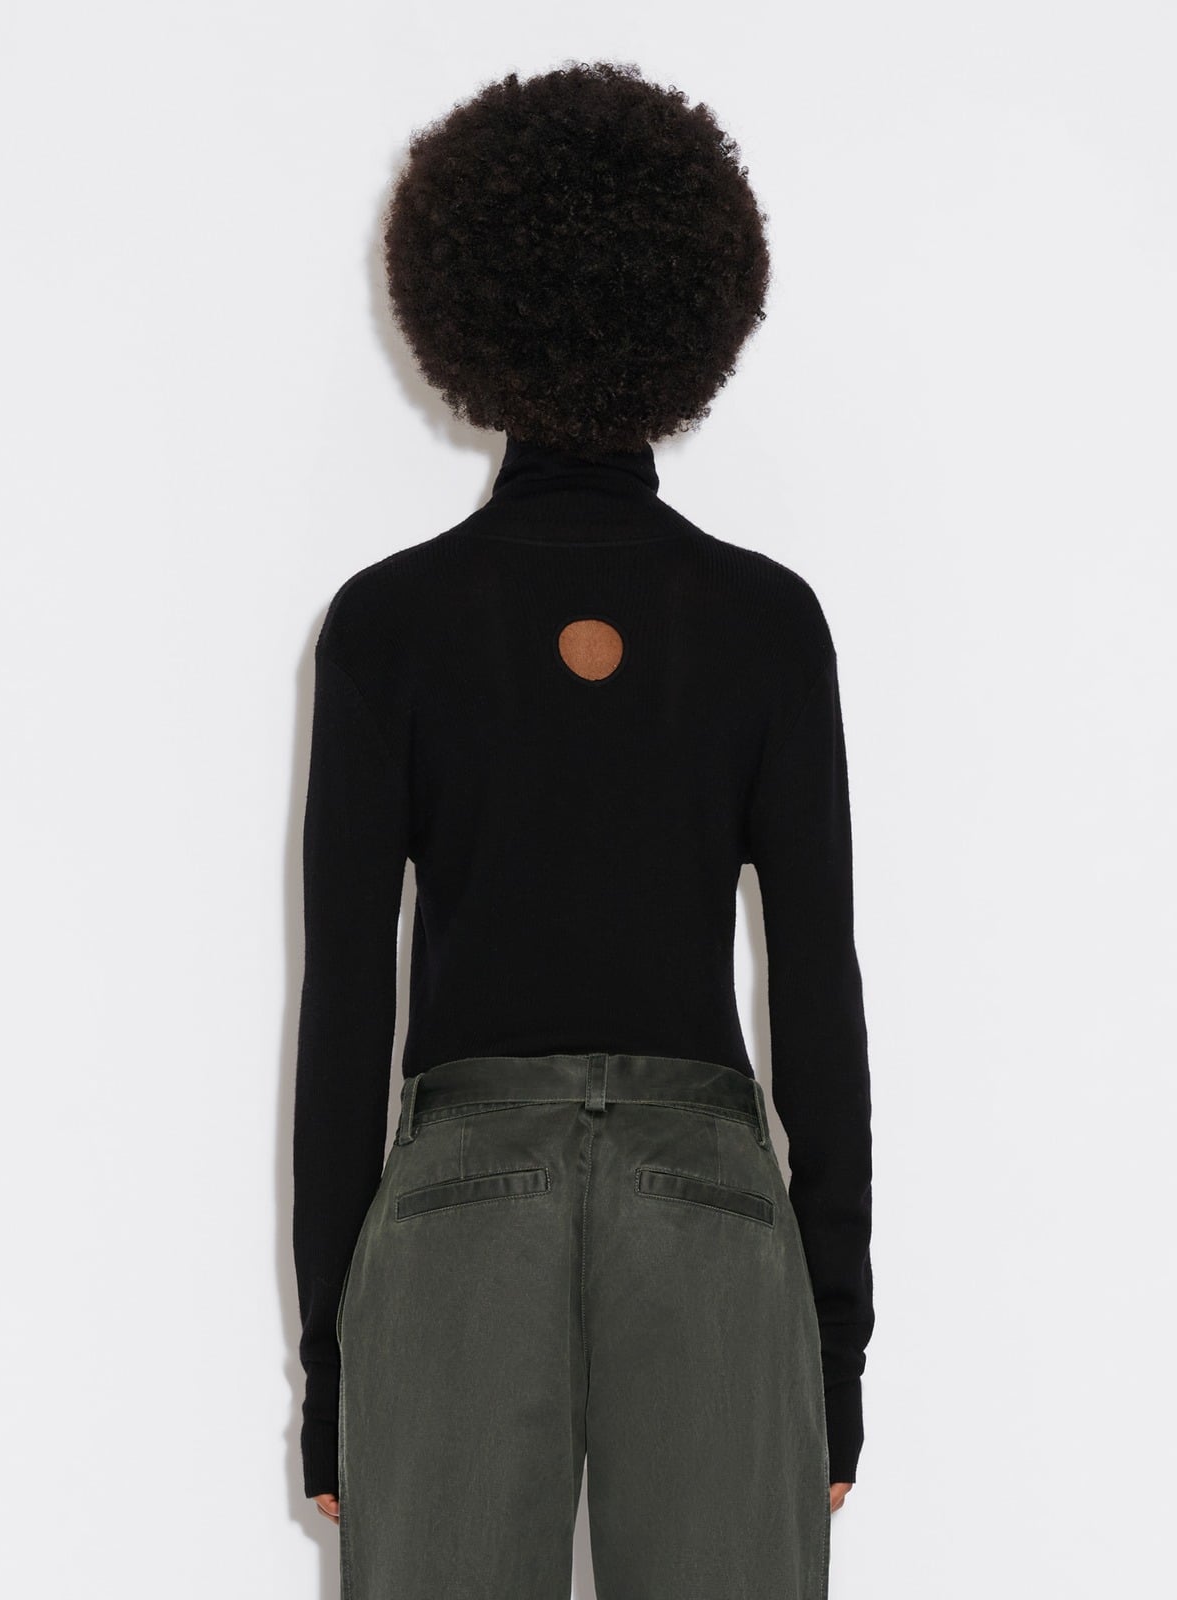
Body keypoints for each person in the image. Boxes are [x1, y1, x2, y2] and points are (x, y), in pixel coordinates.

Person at [292, 59, 874, 1599]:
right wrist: (834, 1346)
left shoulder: (390, 626)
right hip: (708, 1193)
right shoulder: (765, 624)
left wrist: (335, 1371)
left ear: (459, 305)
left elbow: (346, 1010)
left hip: (459, 1193)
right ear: (697, 303)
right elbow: (818, 994)